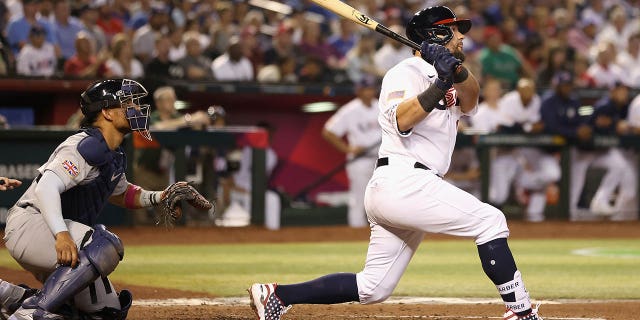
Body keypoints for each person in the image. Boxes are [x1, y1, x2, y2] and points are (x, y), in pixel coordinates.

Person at [248, 6, 542, 320]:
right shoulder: (403, 73)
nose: (461, 37)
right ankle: (521, 311)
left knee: (373, 287)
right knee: (490, 220)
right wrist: (440, 85)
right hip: (403, 181)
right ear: (436, 34)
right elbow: (402, 120)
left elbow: (471, 99)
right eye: (454, 30)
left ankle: (277, 295)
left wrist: (454, 72)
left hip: (410, 185)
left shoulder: (451, 72)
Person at [1, 79, 212, 320]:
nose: (135, 109)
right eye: (127, 104)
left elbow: (123, 194)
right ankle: (31, 311)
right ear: (107, 113)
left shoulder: (112, 153)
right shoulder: (84, 145)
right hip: (31, 226)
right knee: (105, 244)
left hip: (57, 235)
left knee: (106, 312)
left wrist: (161, 196)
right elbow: (46, 188)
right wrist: (61, 234)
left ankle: (14, 298)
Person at [321, 77, 381, 228]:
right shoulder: (350, 110)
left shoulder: (380, 105)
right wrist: (347, 149)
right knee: (359, 197)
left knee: (381, 198)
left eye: (371, 88)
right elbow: (328, 131)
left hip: (380, 159)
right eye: (366, 89)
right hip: (360, 160)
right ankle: (356, 231)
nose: (370, 92)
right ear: (359, 91)